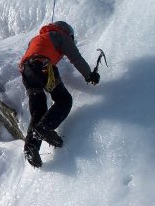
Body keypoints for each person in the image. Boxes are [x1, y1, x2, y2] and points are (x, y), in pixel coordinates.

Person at [19, 21, 100, 168]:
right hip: (42, 67)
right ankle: (45, 128)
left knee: (39, 111)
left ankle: (31, 148)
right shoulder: (60, 35)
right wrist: (89, 75)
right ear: (68, 32)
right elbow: (75, 57)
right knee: (64, 100)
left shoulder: (38, 39)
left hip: (26, 73)